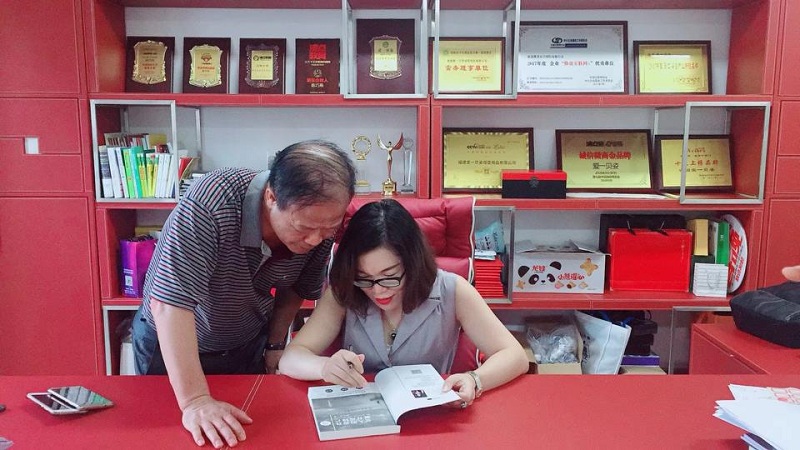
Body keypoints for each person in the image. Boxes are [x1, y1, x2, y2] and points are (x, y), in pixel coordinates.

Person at [131, 140, 356, 448]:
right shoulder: (212, 203)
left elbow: (295, 288)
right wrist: (195, 400)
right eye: (303, 228)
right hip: (175, 347)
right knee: (171, 437)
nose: (315, 240)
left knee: (247, 435)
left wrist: (275, 345)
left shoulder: (319, 226)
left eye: (329, 229)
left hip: (245, 343)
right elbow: (170, 304)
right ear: (271, 197)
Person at [279, 199, 529, 409]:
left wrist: (474, 379)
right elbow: (291, 358)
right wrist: (325, 367)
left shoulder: (452, 290)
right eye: (364, 278)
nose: (378, 290)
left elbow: (515, 356)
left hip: (430, 417)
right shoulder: (344, 291)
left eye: (389, 276)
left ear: (413, 263)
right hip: (364, 414)